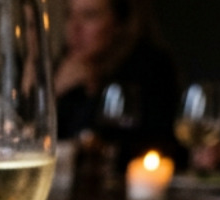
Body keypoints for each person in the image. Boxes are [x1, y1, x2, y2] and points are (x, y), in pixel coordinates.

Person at [54, 0, 179, 158]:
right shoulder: (62, 69)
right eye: (69, 15)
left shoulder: (149, 68)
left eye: (89, 16)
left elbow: (154, 146)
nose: (74, 28)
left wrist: (94, 93)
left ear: (120, 23)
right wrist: (55, 91)